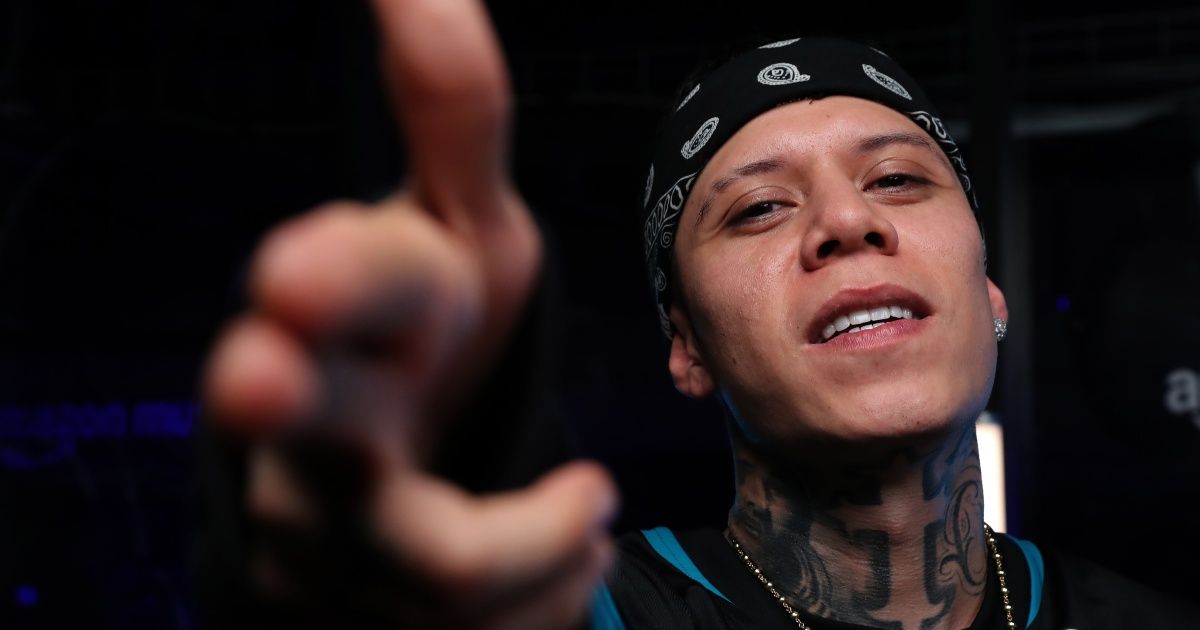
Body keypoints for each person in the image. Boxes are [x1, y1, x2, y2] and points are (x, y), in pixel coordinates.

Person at [200, 1, 1198, 628]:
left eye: (897, 179)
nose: (846, 222)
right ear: (687, 347)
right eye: (759, 208)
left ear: (990, 293)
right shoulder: (587, 610)